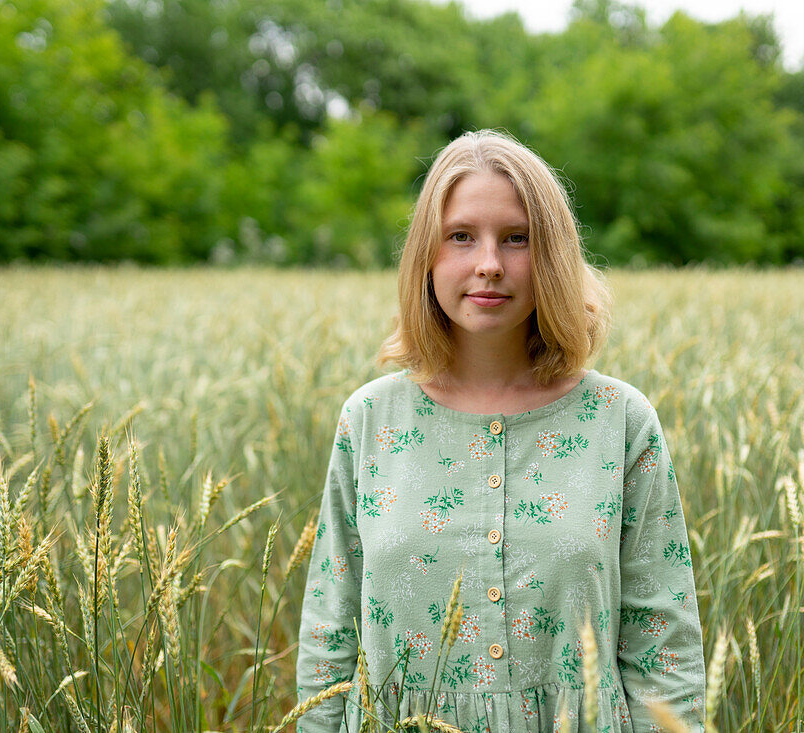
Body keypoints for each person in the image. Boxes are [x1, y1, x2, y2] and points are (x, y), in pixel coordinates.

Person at [294, 129, 705, 732]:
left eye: (517, 239)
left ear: (553, 258)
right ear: (426, 256)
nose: (489, 264)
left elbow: (662, 646)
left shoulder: (619, 421)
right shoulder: (370, 421)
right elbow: (329, 636)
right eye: (461, 236)